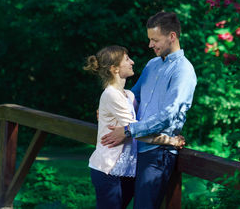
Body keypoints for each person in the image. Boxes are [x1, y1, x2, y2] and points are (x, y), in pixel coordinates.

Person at [101, 12, 197, 209]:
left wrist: (128, 130)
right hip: (135, 148)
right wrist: (109, 103)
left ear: (172, 36)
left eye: (155, 40)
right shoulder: (152, 65)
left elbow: (170, 115)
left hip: (157, 152)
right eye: (150, 40)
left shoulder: (184, 71)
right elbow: (133, 96)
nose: (150, 45)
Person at [84, 45, 185, 209]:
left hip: (127, 171)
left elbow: (138, 126)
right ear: (114, 69)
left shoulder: (129, 95)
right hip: (108, 170)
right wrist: (171, 141)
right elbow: (137, 132)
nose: (132, 62)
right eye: (126, 59)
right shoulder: (111, 95)